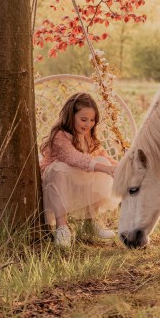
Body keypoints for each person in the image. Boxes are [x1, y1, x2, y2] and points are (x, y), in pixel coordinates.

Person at [40, 92, 120, 246]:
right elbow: (74, 158)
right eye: (83, 119)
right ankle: (62, 227)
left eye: (92, 120)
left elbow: (101, 153)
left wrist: (116, 167)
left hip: (77, 183)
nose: (88, 124)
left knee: (102, 161)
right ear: (71, 116)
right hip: (58, 183)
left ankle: (91, 222)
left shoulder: (88, 136)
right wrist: (105, 168)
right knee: (59, 169)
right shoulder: (60, 136)